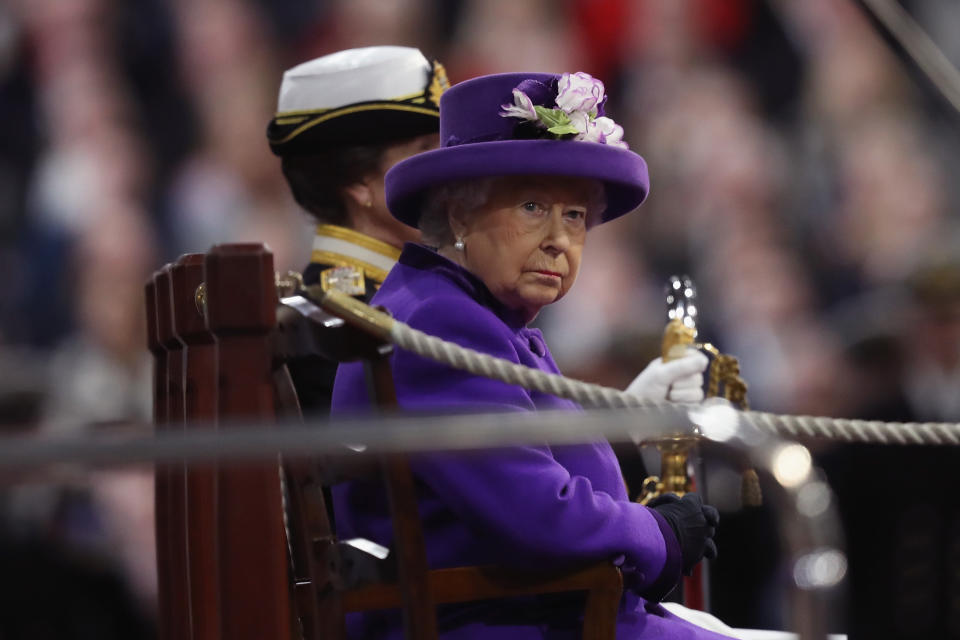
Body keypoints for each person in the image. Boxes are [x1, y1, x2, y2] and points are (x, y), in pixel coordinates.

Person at [331, 72, 731, 639]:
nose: (559, 240)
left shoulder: (466, 310)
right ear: (458, 213)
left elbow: (515, 460)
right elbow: (540, 515)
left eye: (575, 217)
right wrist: (657, 533)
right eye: (532, 206)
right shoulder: (441, 326)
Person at [267, 45, 449, 412]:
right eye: (424, 151)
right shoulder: (332, 322)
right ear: (358, 182)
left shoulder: (410, 295)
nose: (446, 173)